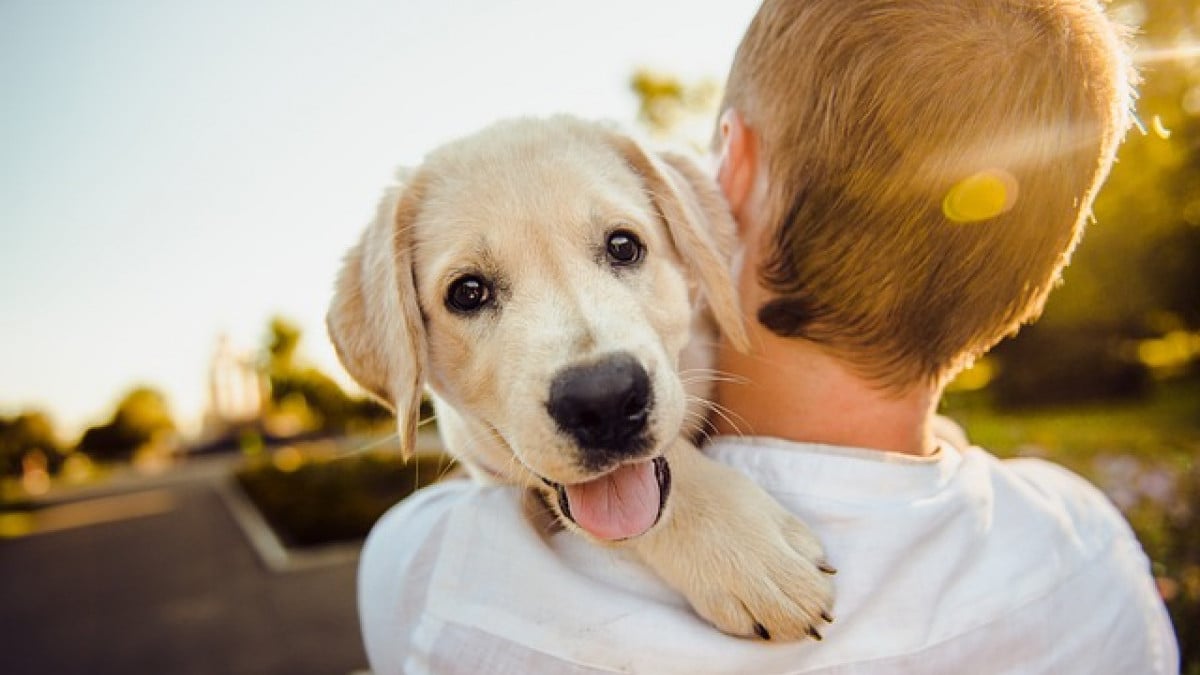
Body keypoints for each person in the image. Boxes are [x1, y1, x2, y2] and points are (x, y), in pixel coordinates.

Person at [357, 0, 1180, 672]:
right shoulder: (1090, 551)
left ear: (728, 178)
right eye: (472, 292)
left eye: (621, 248)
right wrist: (683, 503)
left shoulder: (432, 577)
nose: (593, 366)